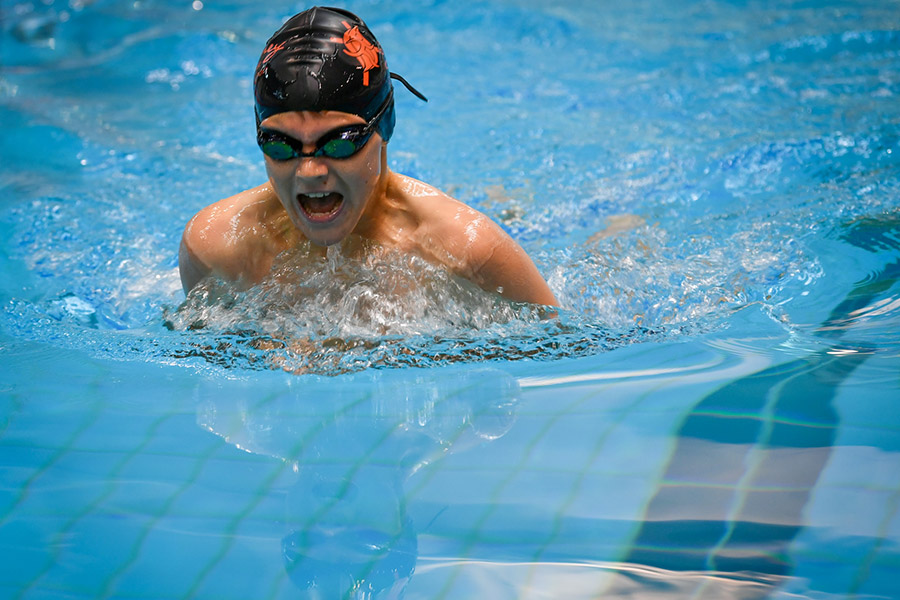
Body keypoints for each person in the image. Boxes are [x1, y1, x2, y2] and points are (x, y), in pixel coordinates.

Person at [178, 6, 558, 307]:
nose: (309, 171)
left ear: (385, 127)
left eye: (339, 143)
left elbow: (561, 352)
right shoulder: (215, 248)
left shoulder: (468, 252)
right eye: (281, 146)